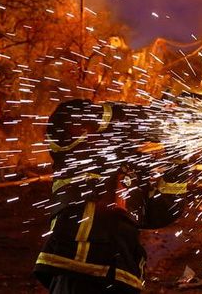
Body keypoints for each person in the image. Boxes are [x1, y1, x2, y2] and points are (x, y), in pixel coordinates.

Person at [34, 99, 189, 293]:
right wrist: (156, 119)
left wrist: (179, 159)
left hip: (122, 276)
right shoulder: (75, 150)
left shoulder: (133, 169)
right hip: (77, 267)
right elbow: (71, 117)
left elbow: (162, 212)